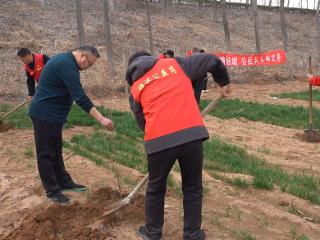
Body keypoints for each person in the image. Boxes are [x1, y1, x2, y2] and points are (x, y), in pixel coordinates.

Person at [126, 51, 230, 240]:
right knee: (192, 187)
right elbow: (212, 60)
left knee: (155, 189)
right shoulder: (175, 64)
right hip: (191, 135)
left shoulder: (135, 88)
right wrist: (223, 82)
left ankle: (152, 233)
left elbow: (142, 122)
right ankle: (192, 234)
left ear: (132, 70)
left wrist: (159, 136)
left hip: (158, 140)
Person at [29, 45, 114, 205]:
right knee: (46, 154)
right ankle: (52, 191)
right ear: (82, 56)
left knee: (56, 150)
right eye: (89, 64)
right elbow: (80, 97)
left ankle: (64, 182)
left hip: (54, 116)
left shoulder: (65, 61)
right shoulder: (66, 65)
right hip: (44, 115)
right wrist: (101, 119)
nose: (88, 68)